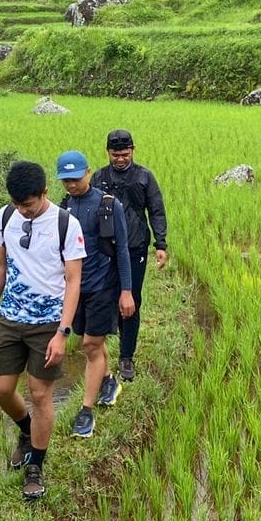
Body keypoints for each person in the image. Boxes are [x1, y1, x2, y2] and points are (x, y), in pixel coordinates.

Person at [0, 159, 85, 502]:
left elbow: (73, 282)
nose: (22, 211)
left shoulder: (65, 224)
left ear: (44, 193)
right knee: (0, 390)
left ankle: (35, 466)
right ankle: (27, 430)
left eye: (28, 204)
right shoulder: (6, 217)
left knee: (40, 394)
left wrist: (63, 332)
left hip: (48, 324)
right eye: (17, 204)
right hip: (10, 319)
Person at [56, 149, 135, 435]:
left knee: (89, 345)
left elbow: (122, 249)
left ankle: (86, 412)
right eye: (65, 180)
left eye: (75, 178)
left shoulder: (107, 204)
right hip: (75, 288)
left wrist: (126, 291)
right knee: (88, 339)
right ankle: (109, 379)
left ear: (88, 172)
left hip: (103, 285)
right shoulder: (62, 208)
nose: (71, 185)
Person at [92, 128, 168, 382]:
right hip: (106, 250)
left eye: (125, 154)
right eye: (116, 155)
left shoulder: (144, 177)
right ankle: (99, 354)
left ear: (133, 151)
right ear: (108, 153)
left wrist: (161, 244)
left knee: (131, 300)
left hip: (135, 247)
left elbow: (156, 210)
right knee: (105, 299)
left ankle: (126, 356)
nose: (120, 159)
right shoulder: (99, 178)